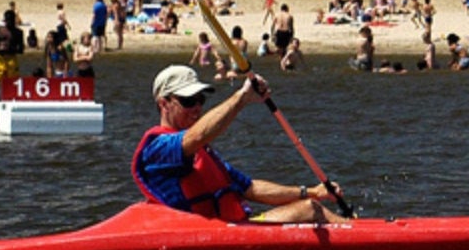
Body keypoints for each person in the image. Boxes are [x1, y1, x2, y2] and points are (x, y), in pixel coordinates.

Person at [133, 65, 348, 224]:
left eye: (201, 100)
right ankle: (362, 235)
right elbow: (196, 137)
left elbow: (250, 188)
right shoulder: (157, 148)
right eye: (189, 101)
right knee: (311, 211)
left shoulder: (201, 153)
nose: (197, 107)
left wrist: (311, 192)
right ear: (164, 104)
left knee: (311, 206)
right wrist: (242, 97)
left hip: (235, 228)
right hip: (208, 235)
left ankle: (357, 229)